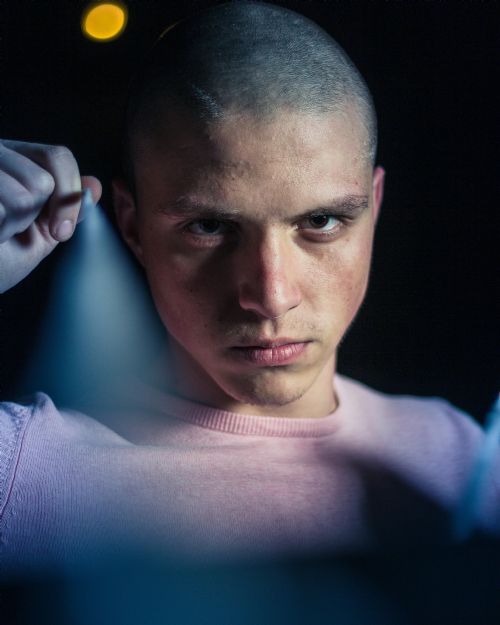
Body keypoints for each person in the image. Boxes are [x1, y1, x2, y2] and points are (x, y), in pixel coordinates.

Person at [0, 1, 498, 577]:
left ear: (375, 207)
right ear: (133, 228)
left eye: (321, 221)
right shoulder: (21, 475)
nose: (271, 296)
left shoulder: (457, 455)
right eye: (210, 227)